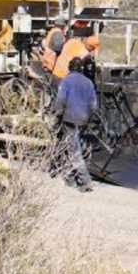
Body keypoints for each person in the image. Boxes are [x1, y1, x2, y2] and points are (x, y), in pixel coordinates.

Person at [53, 57, 97, 192]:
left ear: (70, 67)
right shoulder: (88, 82)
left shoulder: (66, 81)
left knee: (74, 150)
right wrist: (88, 118)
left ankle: (85, 181)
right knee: (73, 146)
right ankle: (70, 177)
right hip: (84, 119)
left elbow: (60, 100)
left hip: (70, 119)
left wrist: (57, 115)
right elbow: (94, 105)